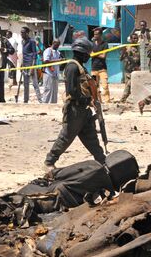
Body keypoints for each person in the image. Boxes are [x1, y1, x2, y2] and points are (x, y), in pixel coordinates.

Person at [44, 38, 105, 171]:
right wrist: (86, 100)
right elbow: (72, 90)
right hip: (75, 109)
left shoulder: (80, 66)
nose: (89, 56)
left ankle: (102, 161)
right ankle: (49, 162)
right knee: (66, 136)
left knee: (91, 136)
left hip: (84, 109)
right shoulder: (72, 67)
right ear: (82, 53)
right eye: (87, 54)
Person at [20, 27, 42, 103]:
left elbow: (34, 55)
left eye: (23, 32)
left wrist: (32, 67)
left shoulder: (32, 42)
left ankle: (40, 100)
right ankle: (25, 100)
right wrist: (21, 64)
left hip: (31, 65)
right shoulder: (22, 42)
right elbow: (24, 54)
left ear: (27, 33)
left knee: (35, 84)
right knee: (25, 84)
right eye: (21, 32)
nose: (21, 34)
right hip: (25, 65)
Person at [119, 33, 140, 103]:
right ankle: (124, 100)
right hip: (128, 70)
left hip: (136, 71)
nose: (134, 40)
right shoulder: (127, 48)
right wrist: (124, 52)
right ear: (130, 39)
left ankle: (123, 99)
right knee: (127, 86)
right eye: (133, 38)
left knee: (130, 86)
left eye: (136, 38)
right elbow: (121, 59)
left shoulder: (139, 48)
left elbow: (137, 60)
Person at [91, 27, 110, 103]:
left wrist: (94, 54)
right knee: (94, 87)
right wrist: (96, 54)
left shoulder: (105, 44)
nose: (95, 36)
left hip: (102, 69)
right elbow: (90, 54)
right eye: (94, 34)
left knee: (105, 86)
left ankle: (107, 102)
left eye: (96, 34)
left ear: (101, 35)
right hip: (94, 68)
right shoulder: (92, 44)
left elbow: (103, 56)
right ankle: (97, 101)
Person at [41, 39, 62, 103]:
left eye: (59, 45)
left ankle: (53, 105)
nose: (58, 46)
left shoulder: (57, 52)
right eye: (57, 44)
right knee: (48, 90)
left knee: (54, 91)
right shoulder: (48, 51)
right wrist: (58, 60)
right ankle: (45, 105)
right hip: (48, 74)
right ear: (53, 43)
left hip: (55, 74)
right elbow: (46, 61)